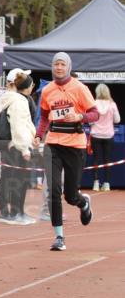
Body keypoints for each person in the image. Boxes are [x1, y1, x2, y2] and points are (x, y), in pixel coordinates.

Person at [37, 52, 98, 252]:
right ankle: (59, 236)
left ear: (69, 67)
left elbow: (95, 114)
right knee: (53, 191)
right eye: (56, 65)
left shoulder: (80, 88)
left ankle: (83, 202)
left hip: (75, 145)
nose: (59, 68)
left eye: (62, 64)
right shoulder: (47, 91)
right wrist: (39, 134)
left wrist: (79, 117)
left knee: (70, 195)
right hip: (53, 144)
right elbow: (45, 117)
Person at [0, 70, 38, 224]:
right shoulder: (20, 101)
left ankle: (6, 212)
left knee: (7, 178)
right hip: (17, 146)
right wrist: (25, 148)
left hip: (6, 144)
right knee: (19, 179)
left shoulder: (4, 99)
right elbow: (19, 126)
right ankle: (16, 212)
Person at [90, 83, 121, 192]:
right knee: (107, 159)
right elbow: (117, 120)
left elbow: (90, 120)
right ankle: (107, 184)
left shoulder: (93, 104)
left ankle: (96, 183)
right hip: (108, 135)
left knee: (96, 159)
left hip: (96, 135)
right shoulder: (112, 105)